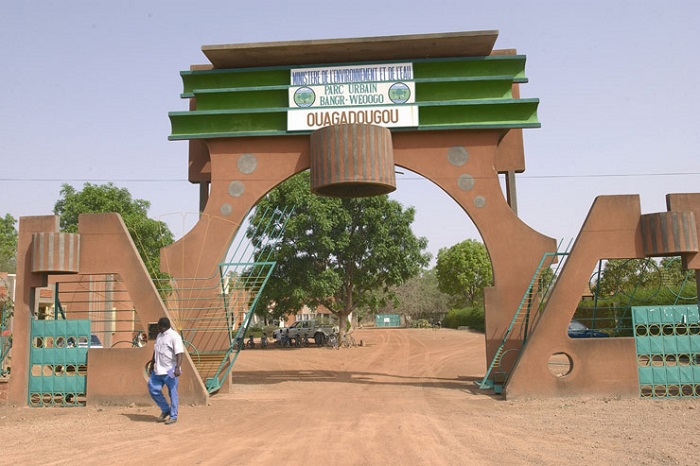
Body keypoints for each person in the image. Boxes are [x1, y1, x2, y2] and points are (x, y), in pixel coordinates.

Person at [147, 317, 184, 425]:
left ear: (162, 326)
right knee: (152, 388)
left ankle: (173, 416)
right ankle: (165, 409)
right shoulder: (159, 335)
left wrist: (177, 368)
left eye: (158, 326)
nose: (157, 328)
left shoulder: (174, 336)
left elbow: (179, 353)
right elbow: (156, 351)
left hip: (170, 369)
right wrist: (152, 363)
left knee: (172, 392)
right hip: (158, 368)